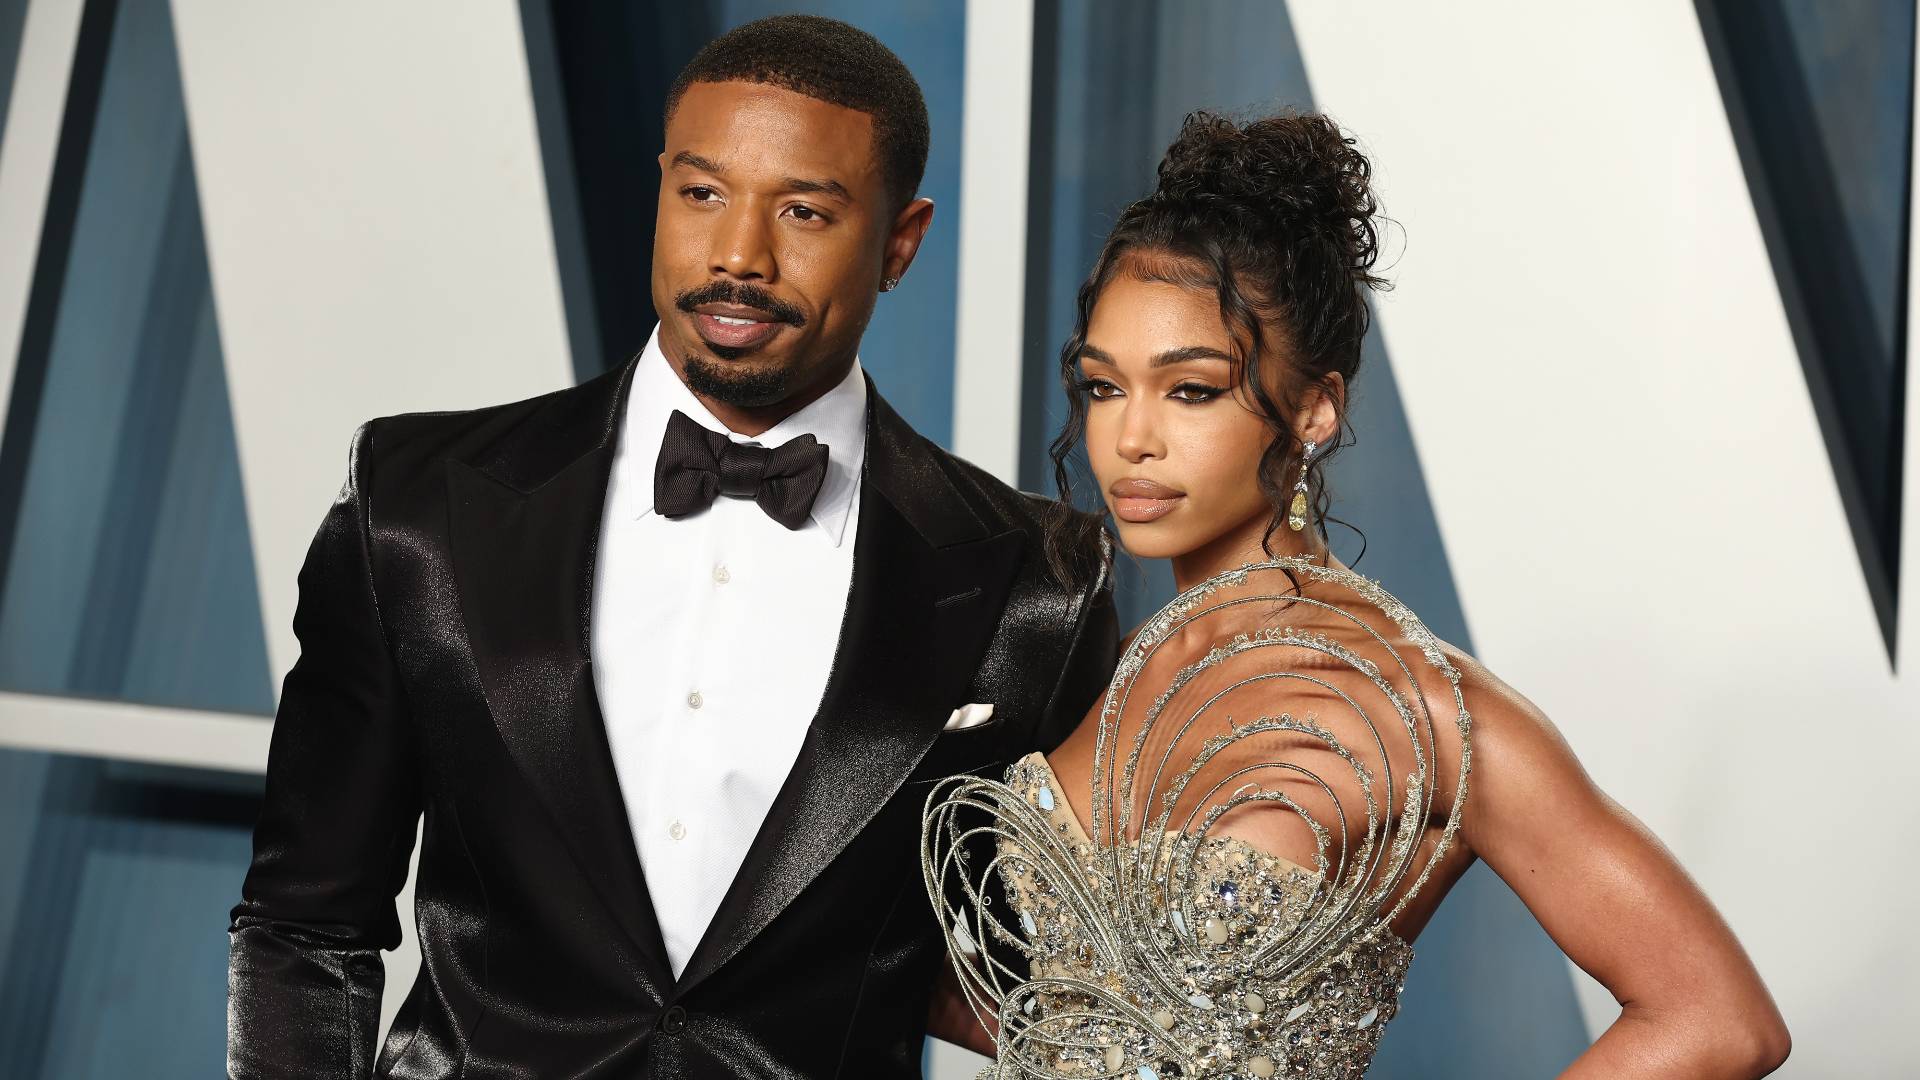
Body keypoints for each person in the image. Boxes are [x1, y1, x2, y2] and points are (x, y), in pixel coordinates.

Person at [227, 16, 1117, 1079]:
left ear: (900, 241)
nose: (738, 256)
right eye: (701, 193)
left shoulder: (1037, 582)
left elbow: (1058, 992)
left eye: (803, 211)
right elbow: (304, 924)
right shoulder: (416, 504)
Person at [921, 111, 1791, 1079]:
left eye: (1191, 390)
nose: (1131, 439)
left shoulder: (1429, 709)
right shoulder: (1109, 664)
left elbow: (1719, 1017)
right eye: (1103, 387)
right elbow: (1077, 1019)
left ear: (1316, 409)